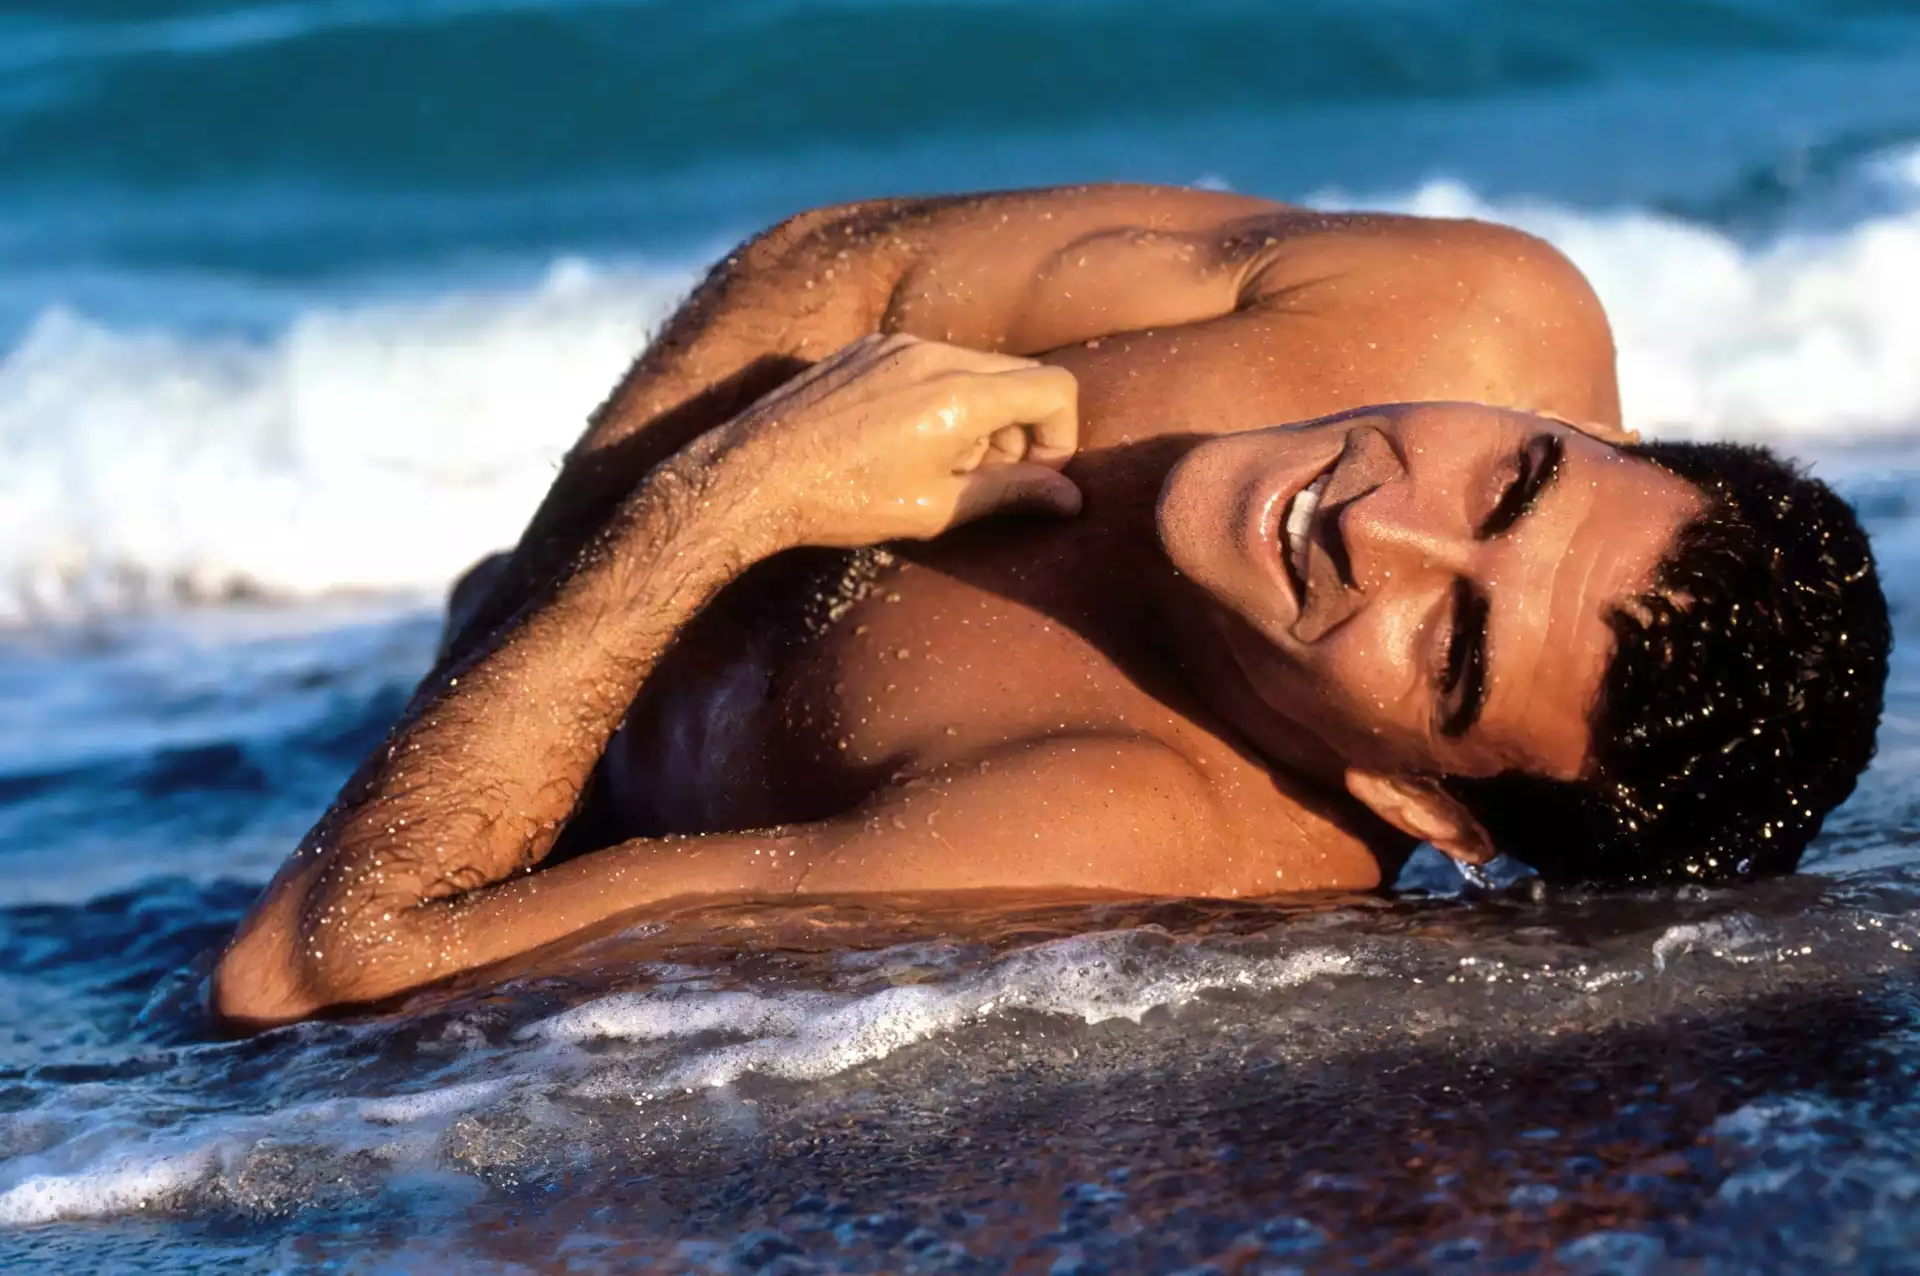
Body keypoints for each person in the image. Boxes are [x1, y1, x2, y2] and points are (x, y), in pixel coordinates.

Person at [212, 185, 1890, 1027]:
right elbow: (830, 264)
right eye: (1513, 483)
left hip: (512, 795)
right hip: (474, 686)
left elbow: (314, 972)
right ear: (1579, 430)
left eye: (1452, 648)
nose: (1381, 523)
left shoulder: (1113, 827)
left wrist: (727, 504)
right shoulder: (1476, 309)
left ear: (1422, 804)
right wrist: (525, 618)